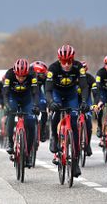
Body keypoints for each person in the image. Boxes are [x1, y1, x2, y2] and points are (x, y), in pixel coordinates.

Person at [45, 44, 89, 177]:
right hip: (57, 94)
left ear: (73, 59)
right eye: (63, 62)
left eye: (69, 61)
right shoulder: (53, 68)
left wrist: (84, 102)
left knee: (75, 125)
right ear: (59, 60)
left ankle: (74, 161)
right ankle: (54, 137)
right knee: (56, 112)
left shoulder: (78, 67)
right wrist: (51, 102)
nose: (66, 65)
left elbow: (84, 87)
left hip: (71, 95)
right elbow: (47, 90)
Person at [4, 59, 40, 168]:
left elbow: (35, 93)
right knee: (11, 114)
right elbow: (5, 94)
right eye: (18, 76)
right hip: (12, 98)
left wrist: (35, 106)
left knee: (30, 123)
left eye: (23, 77)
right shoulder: (9, 74)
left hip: (27, 98)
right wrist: (7, 106)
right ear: (15, 73)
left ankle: (28, 154)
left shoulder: (32, 74)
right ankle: (10, 142)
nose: (20, 79)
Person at [77, 61, 99, 156]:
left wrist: (95, 104)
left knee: (88, 122)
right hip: (75, 99)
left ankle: (87, 144)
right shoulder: (74, 77)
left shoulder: (90, 78)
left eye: (84, 69)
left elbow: (95, 93)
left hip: (87, 100)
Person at [30, 61, 48, 142]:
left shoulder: (43, 78)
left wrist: (49, 101)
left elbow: (47, 89)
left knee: (43, 104)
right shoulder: (29, 74)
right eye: (42, 75)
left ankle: (42, 129)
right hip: (27, 92)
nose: (44, 77)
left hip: (38, 93)